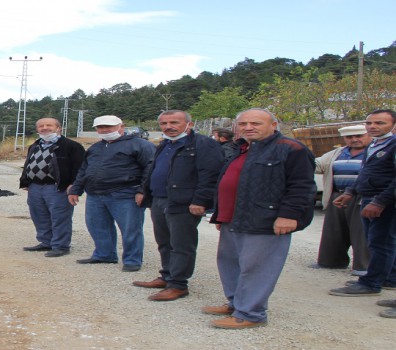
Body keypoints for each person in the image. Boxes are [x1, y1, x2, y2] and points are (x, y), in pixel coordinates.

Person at [204, 108, 316, 329]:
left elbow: (302, 186)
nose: (248, 127)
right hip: (233, 218)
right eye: (243, 124)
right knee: (230, 263)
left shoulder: (291, 149)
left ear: (273, 125)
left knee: (257, 268)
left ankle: (251, 314)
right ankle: (236, 304)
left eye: (255, 123)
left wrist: (288, 215)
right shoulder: (243, 148)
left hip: (265, 219)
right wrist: (221, 214)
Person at [132, 110, 224, 301]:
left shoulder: (202, 144)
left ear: (188, 124)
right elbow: (153, 169)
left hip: (183, 203)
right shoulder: (165, 144)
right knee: (164, 242)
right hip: (159, 200)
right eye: (164, 124)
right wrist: (144, 191)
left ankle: (179, 284)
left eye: (174, 122)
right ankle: (167, 276)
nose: (169, 127)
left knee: (182, 245)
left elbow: (210, 175)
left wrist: (201, 200)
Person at [68, 115, 155, 272]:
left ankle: (132, 260)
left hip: (125, 194)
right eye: (100, 127)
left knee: (130, 229)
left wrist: (143, 191)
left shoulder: (140, 145)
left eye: (109, 126)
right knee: (97, 226)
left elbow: (150, 169)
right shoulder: (95, 148)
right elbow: (84, 170)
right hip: (95, 194)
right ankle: (104, 254)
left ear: (121, 126)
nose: (104, 130)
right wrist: (76, 189)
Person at [328, 109, 396, 312]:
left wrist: (380, 202)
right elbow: (365, 173)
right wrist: (350, 192)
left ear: (393, 125)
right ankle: (388, 278)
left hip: (385, 201)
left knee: (380, 243)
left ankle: (371, 284)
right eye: (370, 123)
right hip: (369, 198)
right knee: (379, 242)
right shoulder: (373, 145)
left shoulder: (392, 146)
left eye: (380, 123)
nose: (373, 126)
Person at [20, 118, 85, 257]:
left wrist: (74, 186)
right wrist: (27, 181)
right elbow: (28, 164)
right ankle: (46, 242)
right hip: (35, 187)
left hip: (57, 188)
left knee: (59, 217)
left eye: (49, 125)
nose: (44, 128)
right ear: (37, 129)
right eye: (41, 126)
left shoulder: (71, 146)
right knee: (39, 216)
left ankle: (61, 246)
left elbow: (80, 168)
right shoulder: (35, 145)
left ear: (58, 128)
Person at [314, 125, 371, 275]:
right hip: (337, 195)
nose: (354, 139)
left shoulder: (374, 152)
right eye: (350, 137)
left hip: (362, 197)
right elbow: (318, 164)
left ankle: (363, 267)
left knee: (361, 232)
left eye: (359, 136)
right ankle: (331, 261)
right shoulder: (338, 153)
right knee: (334, 230)